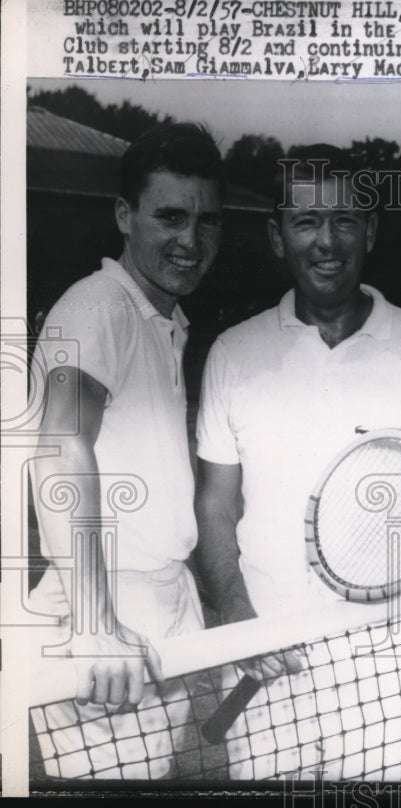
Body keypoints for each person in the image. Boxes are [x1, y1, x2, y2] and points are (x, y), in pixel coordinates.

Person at [194, 145, 401, 779]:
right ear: (276, 235)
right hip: (272, 658)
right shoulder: (231, 354)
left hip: (392, 659)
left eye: (346, 220)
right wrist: (240, 622)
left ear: (370, 231)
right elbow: (216, 505)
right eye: (306, 221)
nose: (328, 240)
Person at [28, 122, 224, 778]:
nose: (190, 241)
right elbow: (59, 446)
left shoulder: (159, 317)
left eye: (207, 221)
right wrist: (93, 625)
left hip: (156, 606)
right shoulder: (98, 308)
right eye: (169, 216)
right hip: (105, 618)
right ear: (124, 215)